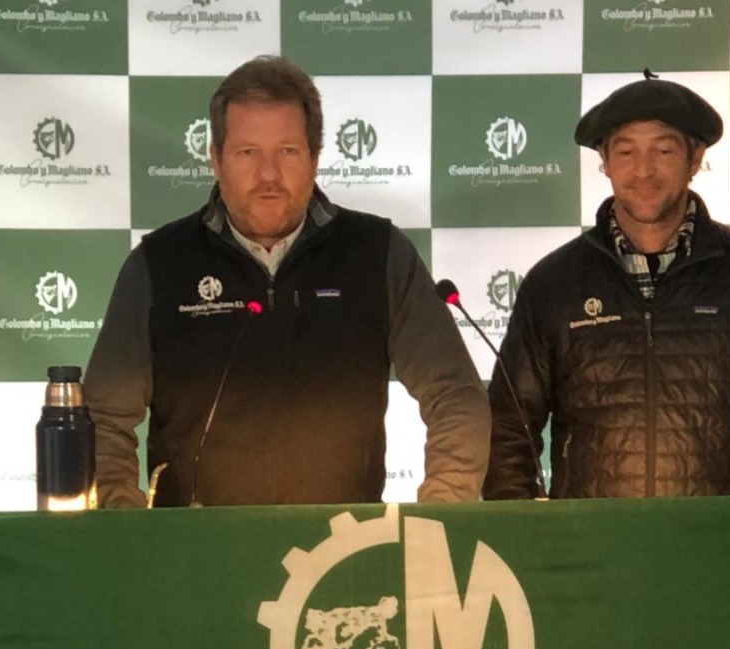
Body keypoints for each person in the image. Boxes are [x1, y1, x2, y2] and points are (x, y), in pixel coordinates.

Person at [85, 55, 490, 508]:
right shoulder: (159, 263)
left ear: (315, 157)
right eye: (248, 153)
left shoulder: (378, 253)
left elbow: (456, 396)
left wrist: (440, 513)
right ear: (216, 159)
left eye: (288, 152)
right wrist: (124, 524)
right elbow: (102, 418)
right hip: (193, 544)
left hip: (343, 544)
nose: (268, 175)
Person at [483, 71, 730, 499]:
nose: (643, 170)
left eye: (663, 150)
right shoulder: (554, 283)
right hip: (585, 539)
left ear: (695, 159)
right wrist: (525, 531)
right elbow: (508, 429)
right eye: (626, 151)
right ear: (605, 161)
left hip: (721, 536)